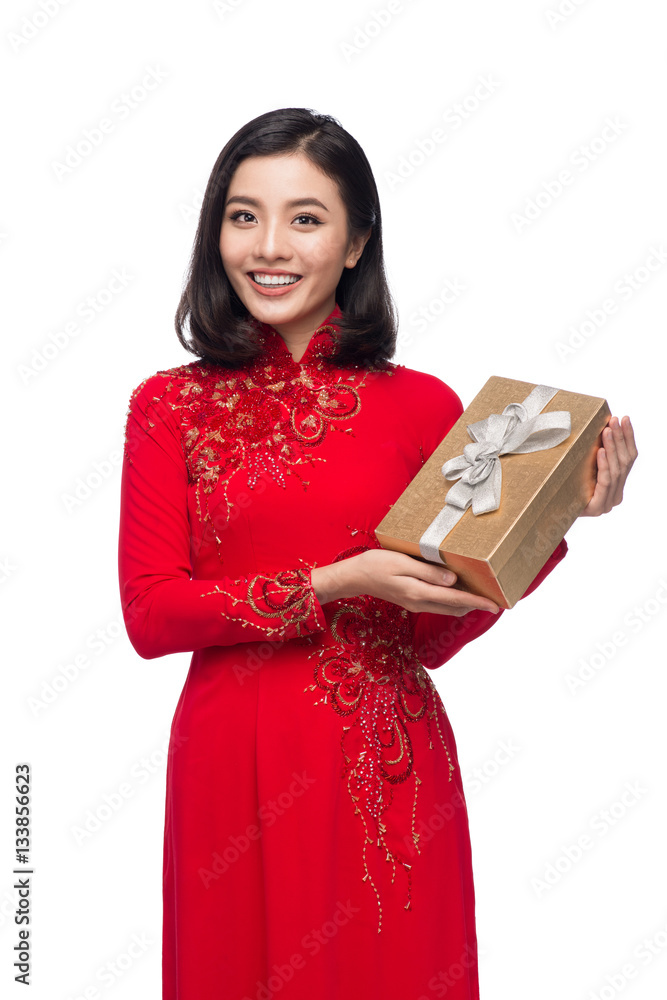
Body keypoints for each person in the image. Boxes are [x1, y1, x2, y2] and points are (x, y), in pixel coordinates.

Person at [118, 107, 637, 1000]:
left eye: (305, 218)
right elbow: (151, 613)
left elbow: (431, 632)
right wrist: (332, 580)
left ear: (356, 242)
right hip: (230, 761)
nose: (268, 246)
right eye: (243, 216)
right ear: (215, 233)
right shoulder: (170, 407)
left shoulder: (425, 407)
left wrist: (556, 522)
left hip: (382, 763)